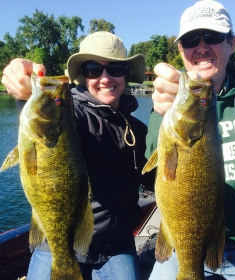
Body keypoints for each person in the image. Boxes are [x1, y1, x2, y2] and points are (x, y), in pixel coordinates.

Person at [1, 31, 155, 280]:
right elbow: (49, 126)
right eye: (93, 69)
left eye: (115, 68)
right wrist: (23, 83)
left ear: (126, 74)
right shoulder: (73, 115)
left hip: (114, 247)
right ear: (83, 76)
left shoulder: (137, 129)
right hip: (57, 244)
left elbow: (157, 178)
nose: (105, 78)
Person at [145, 1, 235, 279]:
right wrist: (162, 112)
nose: (202, 47)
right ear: (181, 50)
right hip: (182, 248)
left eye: (214, 37)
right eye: (192, 40)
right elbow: (150, 174)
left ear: (231, 42)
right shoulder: (170, 106)